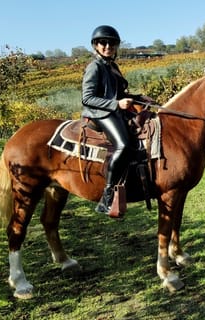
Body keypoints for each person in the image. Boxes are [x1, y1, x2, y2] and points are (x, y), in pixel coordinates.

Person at [81, 25, 152, 216]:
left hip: (113, 109)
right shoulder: (94, 67)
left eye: (111, 43)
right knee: (124, 145)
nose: (107, 46)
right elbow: (87, 98)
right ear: (95, 45)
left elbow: (118, 93)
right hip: (99, 113)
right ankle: (108, 193)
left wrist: (138, 97)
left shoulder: (112, 66)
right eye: (103, 43)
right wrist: (117, 104)